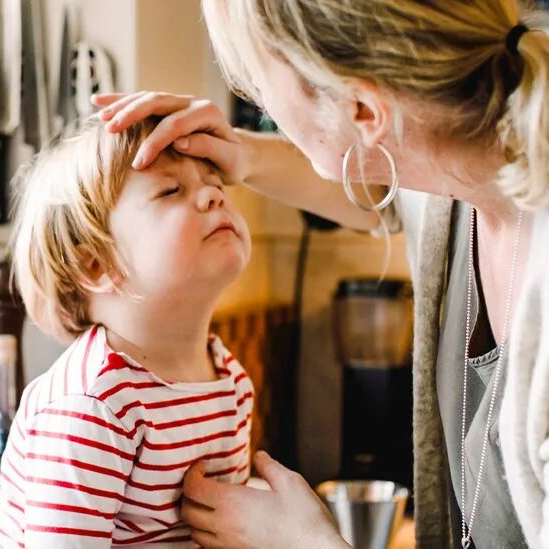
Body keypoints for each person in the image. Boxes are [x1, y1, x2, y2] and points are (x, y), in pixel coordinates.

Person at [91, 1, 549, 547]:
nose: (261, 107)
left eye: (260, 83)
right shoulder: (455, 190)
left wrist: (310, 543)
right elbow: (388, 192)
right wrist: (244, 154)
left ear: (363, 112)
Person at [0, 117, 255, 547]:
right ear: (97, 266)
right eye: (171, 190)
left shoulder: (229, 379)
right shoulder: (94, 406)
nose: (214, 195)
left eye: (216, 185)